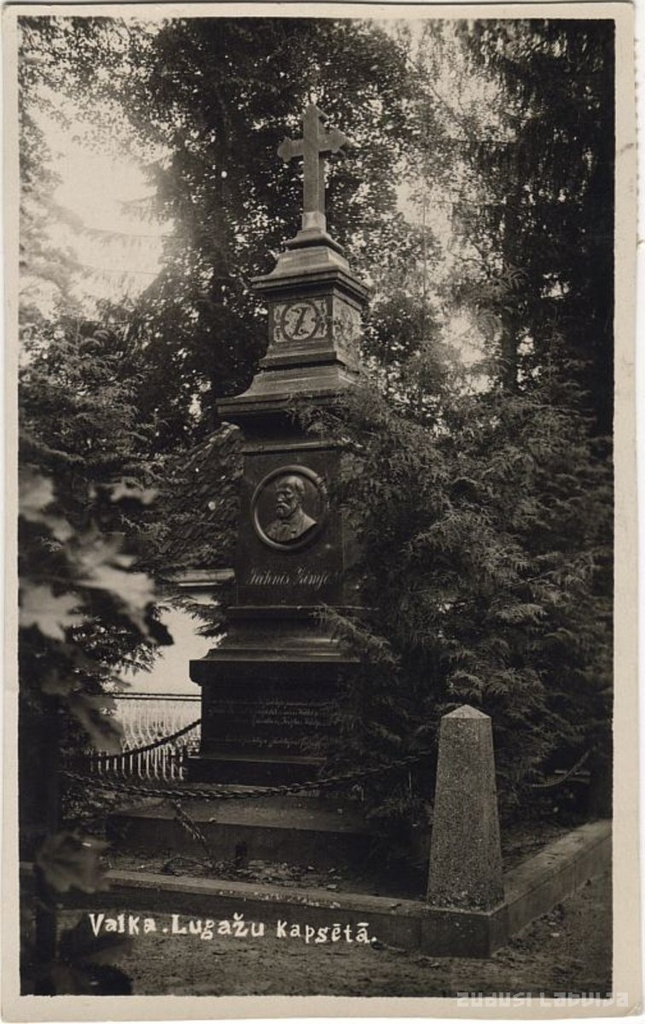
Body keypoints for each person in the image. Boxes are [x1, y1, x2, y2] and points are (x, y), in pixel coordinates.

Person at [264, 474, 316, 543]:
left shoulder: (310, 526)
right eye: (278, 494)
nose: (279, 499)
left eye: (286, 494)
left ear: (300, 498)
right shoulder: (269, 529)